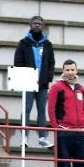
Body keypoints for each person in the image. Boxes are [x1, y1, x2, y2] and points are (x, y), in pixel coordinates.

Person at [13, 16, 55, 148]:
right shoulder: (23, 43)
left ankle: (42, 138)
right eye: (35, 23)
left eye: (39, 24)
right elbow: (17, 62)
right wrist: (24, 77)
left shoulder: (47, 44)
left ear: (42, 26)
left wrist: (48, 77)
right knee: (27, 108)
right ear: (30, 25)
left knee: (42, 110)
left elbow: (51, 63)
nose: (37, 25)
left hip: (42, 84)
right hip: (27, 81)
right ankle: (24, 137)